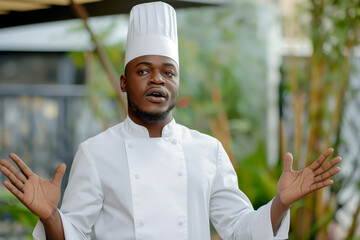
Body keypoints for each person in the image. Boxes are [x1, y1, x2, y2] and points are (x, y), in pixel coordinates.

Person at [0, 2, 342, 240]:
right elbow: (71, 234)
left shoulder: (208, 151)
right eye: (143, 70)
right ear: (123, 82)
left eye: (168, 72)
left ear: (178, 82)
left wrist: (280, 202)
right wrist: (50, 215)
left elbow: (240, 230)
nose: (157, 80)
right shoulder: (95, 153)